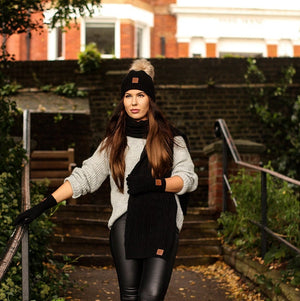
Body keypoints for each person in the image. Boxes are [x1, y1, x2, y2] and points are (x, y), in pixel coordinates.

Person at [14, 59, 198, 301]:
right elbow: (85, 176)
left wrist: (156, 184)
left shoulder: (172, 140)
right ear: (122, 100)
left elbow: (188, 179)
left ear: (150, 99)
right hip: (125, 222)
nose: (134, 102)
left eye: (140, 95)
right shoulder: (114, 142)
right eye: (128, 95)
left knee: (151, 295)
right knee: (130, 296)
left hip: (162, 222)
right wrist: (43, 205)